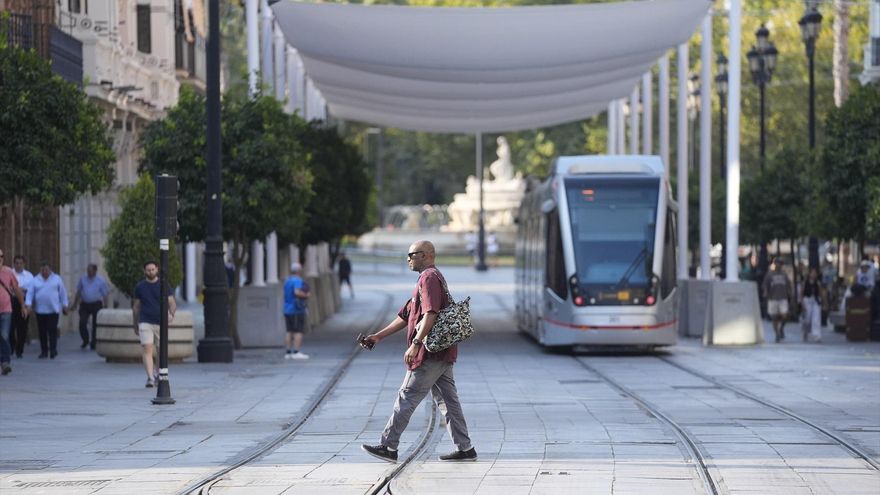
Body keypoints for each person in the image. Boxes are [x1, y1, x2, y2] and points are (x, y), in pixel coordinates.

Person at [361, 240, 476, 463]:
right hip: (442, 353)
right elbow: (406, 315)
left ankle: (388, 446)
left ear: (424, 255)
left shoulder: (429, 278)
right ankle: (466, 448)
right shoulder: (425, 279)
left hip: (430, 353)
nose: (408, 259)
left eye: (411, 254)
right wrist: (378, 336)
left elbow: (431, 314)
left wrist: (416, 343)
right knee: (449, 402)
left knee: (407, 396)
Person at [132, 261, 176, 388]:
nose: (151, 272)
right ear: (144, 271)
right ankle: (150, 378)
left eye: (153, 269)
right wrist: (135, 324)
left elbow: (172, 302)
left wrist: (171, 314)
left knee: (161, 350)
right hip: (145, 321)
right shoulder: (140, 287)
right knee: (147, 348)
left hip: (161, 322)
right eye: (148, 270)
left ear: (157, 269)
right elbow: (136, 307)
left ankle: (158, 375)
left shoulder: (164, 285)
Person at [24, 261, 69, 359]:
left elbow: (62, 293)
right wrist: (28, 305)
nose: (44, 272)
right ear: (40, 270)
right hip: (40, 311)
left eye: (46, 270)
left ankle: (53, 350)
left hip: (53, 310)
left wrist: (65, 305)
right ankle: (44, 351)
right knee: (42, 332)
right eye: (42, 270)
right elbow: (30, 293)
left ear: (50, 269)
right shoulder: (35, 280)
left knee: (52, 331)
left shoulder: (57, 279)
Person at [70, 263, 110, 350]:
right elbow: (79, 292)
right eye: (88, 270)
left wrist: (105, 306)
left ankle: (94, 342)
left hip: (96, 304)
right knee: (82, 322)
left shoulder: (101, 280)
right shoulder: (83, 279)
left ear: (95, 271)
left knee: (96, 324)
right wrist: (75, 304)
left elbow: (105, 294)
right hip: (84, 304)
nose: (88, 272)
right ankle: (85, 340)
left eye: (90, 271)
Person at [0, 249, 28, 375]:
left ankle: (5, 362)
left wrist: (23, 306)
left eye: (1, 256)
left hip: (6, 310)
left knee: (4, 335)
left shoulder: (8, 272)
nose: (0, 258)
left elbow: (16, 290)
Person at [283, 262, 310, 360]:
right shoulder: (297, 280)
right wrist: (306, 295)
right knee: (298, 330)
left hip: (287, 309)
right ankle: (296, 352)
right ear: (298, 271)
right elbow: (297, 292)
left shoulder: (287, 280)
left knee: (289, 331)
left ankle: (288, 352)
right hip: (296, 309)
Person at [762, 258, 793, 343]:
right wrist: (765, 292)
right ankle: (777, 334)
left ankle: (781, 328)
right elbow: (765, 285)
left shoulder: (784, 274)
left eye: (780, 263)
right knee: (774, 317)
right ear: (775, 264)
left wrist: (790, 292)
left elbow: (788, 284)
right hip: (773, 298)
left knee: (785, 315)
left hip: (783, 298)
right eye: (777, 263)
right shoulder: (769, 274)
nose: (779, 265)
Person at [11, 255, 33, 358]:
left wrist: (28, 305)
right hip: (11, 302)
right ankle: (11, 347)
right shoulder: (9, 274)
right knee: (10, 327)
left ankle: (20, 350)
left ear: (24, 264)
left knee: (22, 328)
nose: (18, 265)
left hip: (24, 302)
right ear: (14, 264)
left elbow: (30, 291)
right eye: (16, 263)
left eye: (20, 263)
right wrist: (21, 290)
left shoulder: (29, 276)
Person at [799, 267, 825, 343]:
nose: (814, 274)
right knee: (807, 318)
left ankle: (817, 335)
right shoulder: (805, 282)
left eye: (815, 273)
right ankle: (805, 332)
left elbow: (821, 293)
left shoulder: (818, 283)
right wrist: (802, 303)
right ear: (809, 274)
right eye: (812, 273)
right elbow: (801, 293)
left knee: (816, 318)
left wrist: (823, 302)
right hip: (807, 300)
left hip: (816, 301)